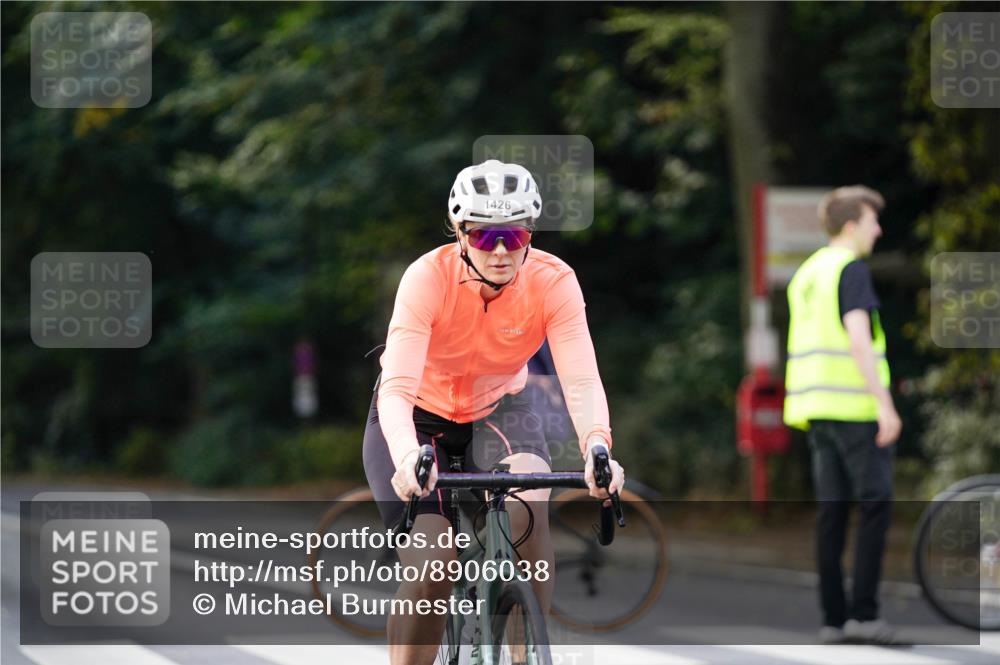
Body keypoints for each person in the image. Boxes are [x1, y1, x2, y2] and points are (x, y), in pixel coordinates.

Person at [363, 159, 625, 665]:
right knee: (434, 562)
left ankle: (527, 655)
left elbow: (581, 378)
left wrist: (598, 445)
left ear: (531, 233)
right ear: (461, 233)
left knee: (531, 505)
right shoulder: (426, 278)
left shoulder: (553, 280)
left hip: (500, 409)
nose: (502, 250)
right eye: (485, 237)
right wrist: (406, 457)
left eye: (515, 234)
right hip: (418, 417)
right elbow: (396, 388)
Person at [783, 185, 903, 645]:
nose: (878, 229)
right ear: (851, 225)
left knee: (832, 513)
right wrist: (884, 404)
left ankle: (834, 618)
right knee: (875, 504)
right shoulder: (849, 269)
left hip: (814, 409)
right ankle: (864, 614)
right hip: (853, 406)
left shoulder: (808, 273)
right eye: (873, 221)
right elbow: (857, 337)